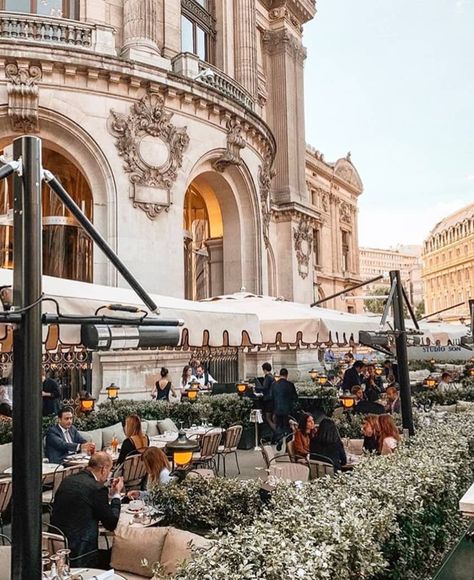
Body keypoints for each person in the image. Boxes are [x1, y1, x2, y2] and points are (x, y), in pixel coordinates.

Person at [51, 452, 123, 568]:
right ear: (104, 469)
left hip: (58, 546)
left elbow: (81, 506)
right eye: (109, 470)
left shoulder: (68, 480)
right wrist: (116, 496)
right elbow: (111, 523)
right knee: (118, 553)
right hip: (82, 554)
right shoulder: (97, 489)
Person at [272, 368, 298, 440]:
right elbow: (295, 397)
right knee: (288, 427)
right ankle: (288, 444)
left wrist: (273, 411)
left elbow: (272, 398)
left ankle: (279, 439)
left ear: (280, 375)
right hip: (288, 410)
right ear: (287, 375)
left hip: (277, 409)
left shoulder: (274, 384)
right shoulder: (290, 385)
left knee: (279, 426)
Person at [256, 362, 275, 431]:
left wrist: (254, 387)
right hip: (272, 399)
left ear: (264, 370)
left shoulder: (267, 377)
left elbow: (264, 388)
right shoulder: (272, 376)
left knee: (268, 418)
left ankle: (277, 432)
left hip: (268, 400)